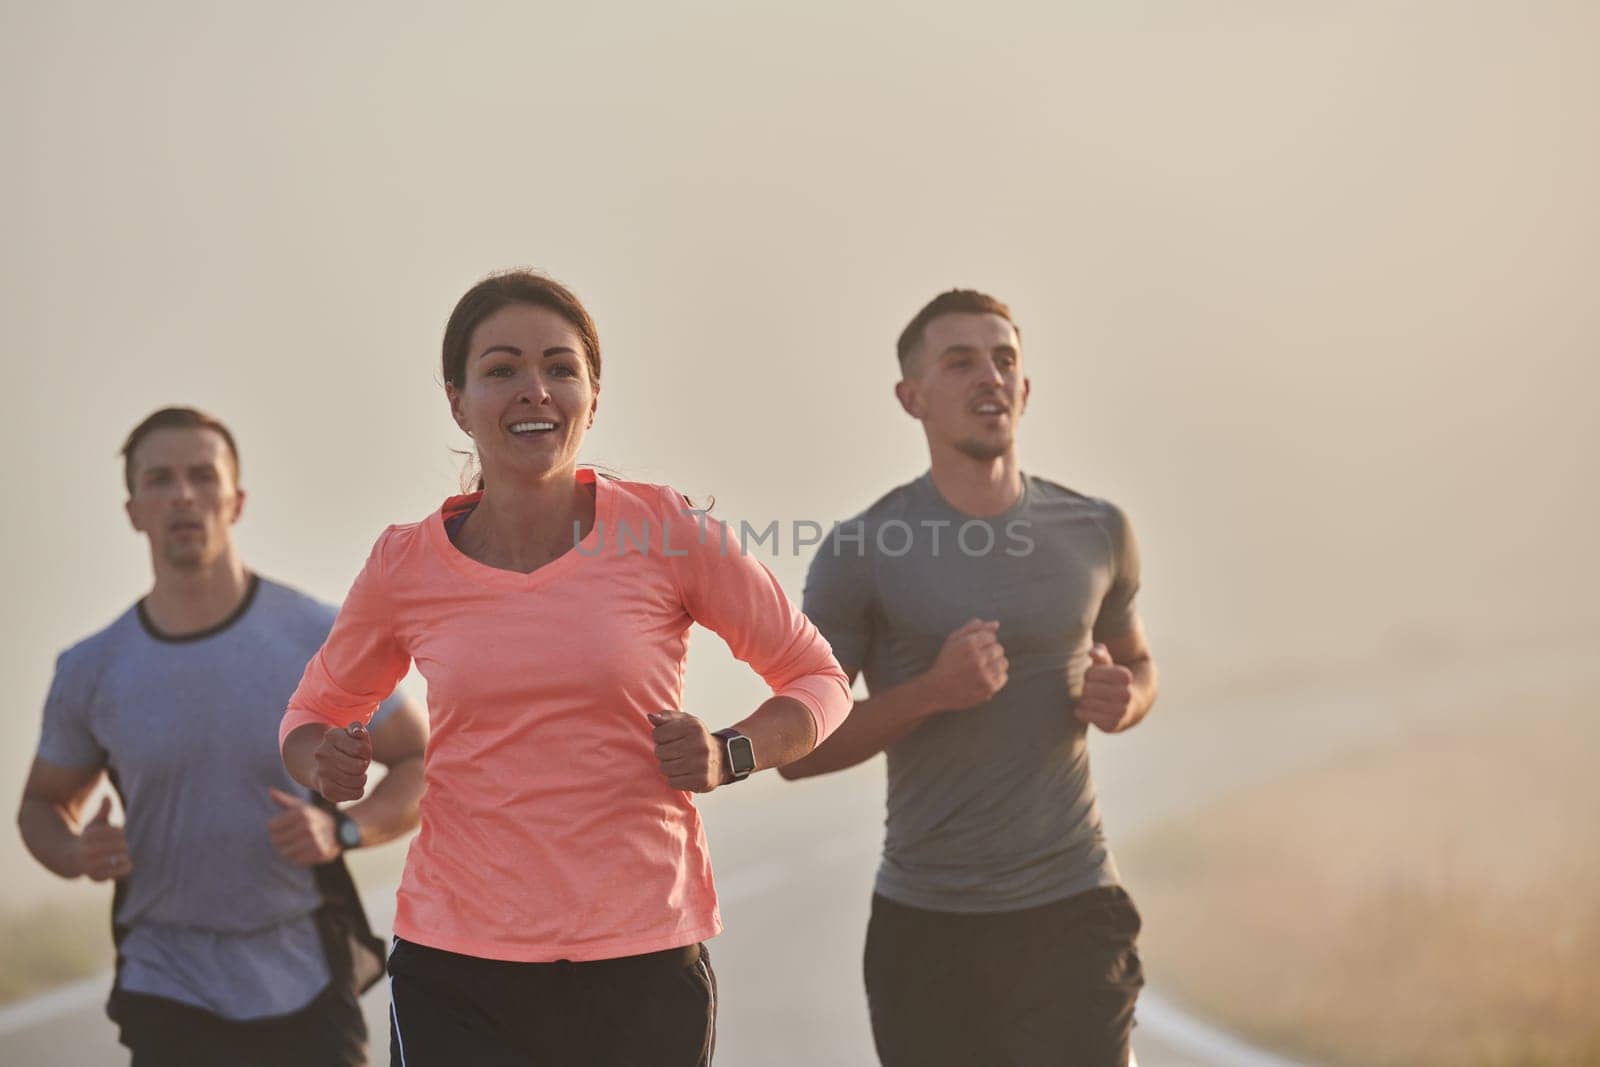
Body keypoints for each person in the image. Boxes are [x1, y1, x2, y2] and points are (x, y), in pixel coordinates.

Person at [279, 269, 852, 1066]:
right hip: (457, 968)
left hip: (641, 961)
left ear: (592, 392)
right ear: (457, 400)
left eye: (559, 367)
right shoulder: (404, 563)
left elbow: (818, 681)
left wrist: (731, 752)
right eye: (502, 369)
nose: (534, 390)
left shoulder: (664, 528)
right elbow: (306, 721)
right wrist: (330, 765)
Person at [783, 289, 1159, 1066]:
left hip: (1074, 903)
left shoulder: (1095, 529)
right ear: (910, 397)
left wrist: (1127, 699)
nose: (989, 377)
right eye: (960, 362)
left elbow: (1139, 663)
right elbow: (798, 749)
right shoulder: (862, 549)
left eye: (1005, 360)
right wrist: (932, 691)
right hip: (929, 926)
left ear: (1025, 389)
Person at [17, 406, 429, 1067]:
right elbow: (41, 805)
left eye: (203, 475)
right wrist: (75, 850)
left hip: (304, 972)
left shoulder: (314, 633)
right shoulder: (92, 668)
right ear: (133, 509)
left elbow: (417, 760)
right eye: (160, 478)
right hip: (166, 977)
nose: (183, 494)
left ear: (234, 500)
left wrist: (345, 831)